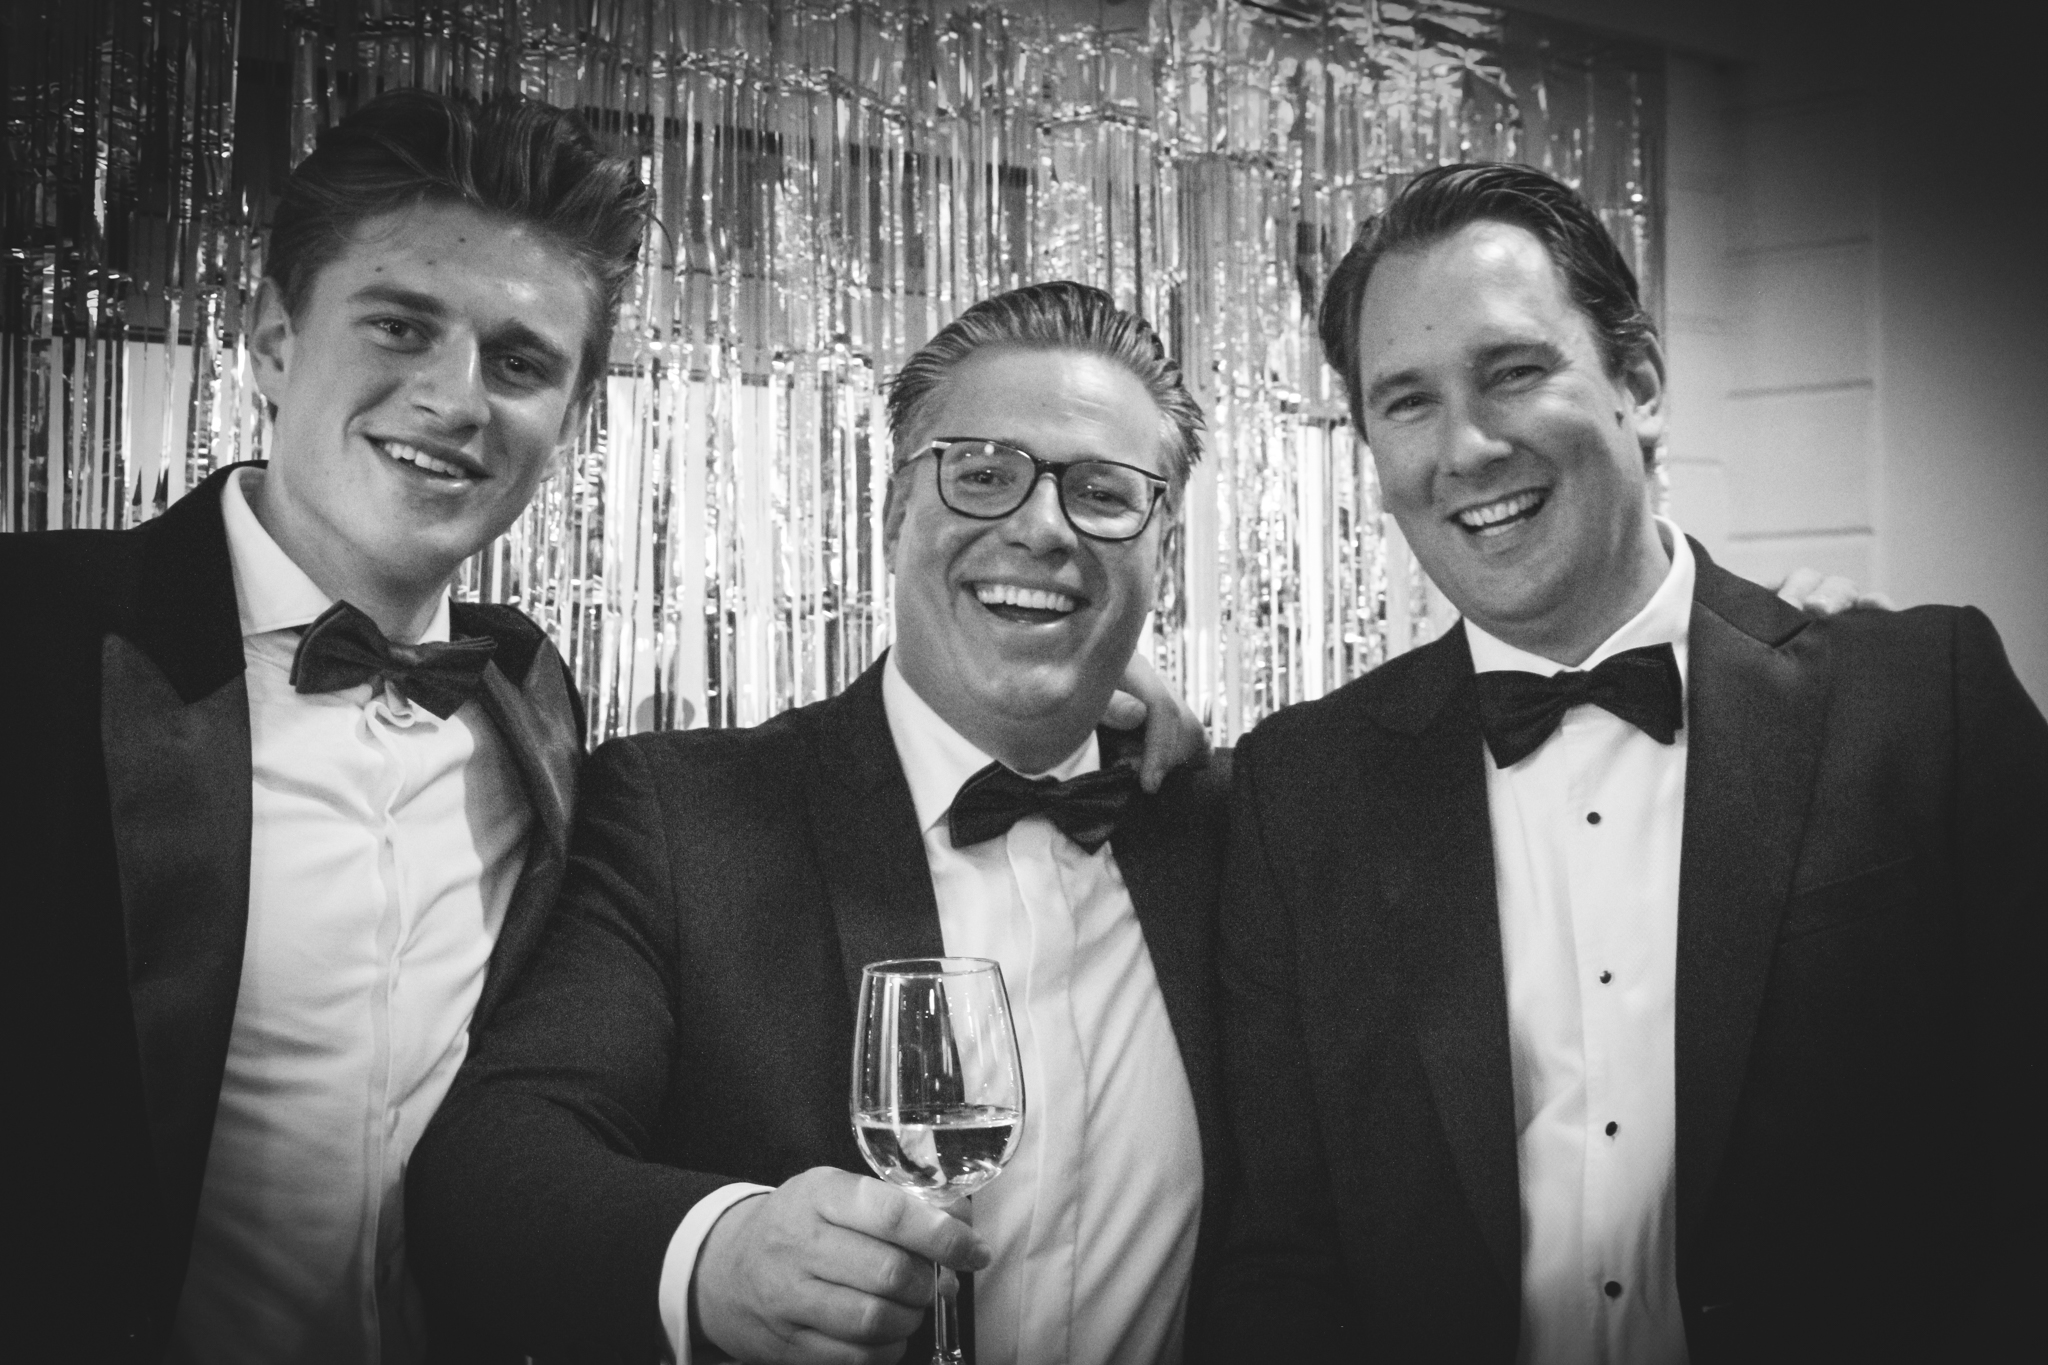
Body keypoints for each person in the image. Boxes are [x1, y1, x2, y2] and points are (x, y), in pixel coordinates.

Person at [1206, 163, 2042, 1364]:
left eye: (1511, 371)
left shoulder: (1922, 700)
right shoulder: (1296, 789)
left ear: (1637, 383)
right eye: (1406, 402)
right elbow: (1279, 1257)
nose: (1466, 447)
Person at [406, 280, 1230, 1365]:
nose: (1040, 527)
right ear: (892, 518)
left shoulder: (1234, 833)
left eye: (1103, 494)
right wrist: (716, 1253)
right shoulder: (681, 818)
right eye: (983, 474)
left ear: (1162, 551)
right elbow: (489, 1165)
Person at [0, 89, 651, 1361]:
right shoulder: (32, 637)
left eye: (520, 364)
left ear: (571, 420)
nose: (455, 399)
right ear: (271, 341)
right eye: (400, 326)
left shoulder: (531, 697)